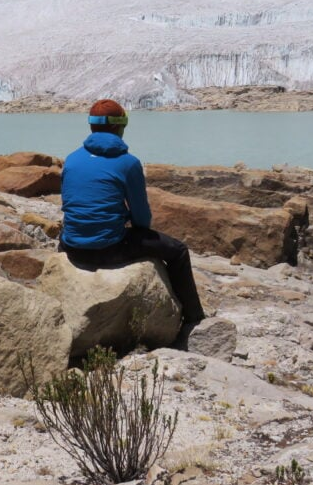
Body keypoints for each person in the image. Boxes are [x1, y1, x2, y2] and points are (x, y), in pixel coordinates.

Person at [59, 99, 205, 343]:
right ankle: (193, 319)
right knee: (178, 251)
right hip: (108, 250)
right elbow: (141, 218)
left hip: (72, 247)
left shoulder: (72, 159)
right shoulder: (128, 163)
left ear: (91, 127)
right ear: (120, 126)